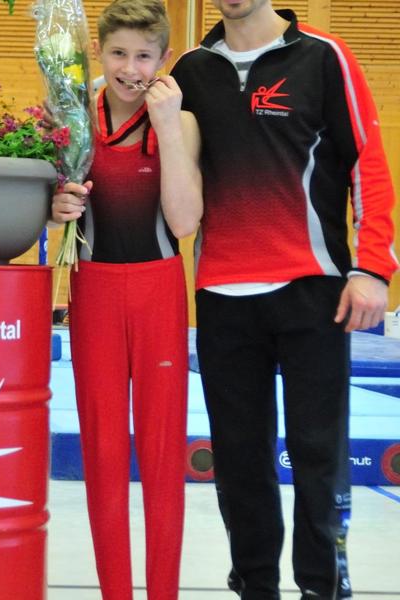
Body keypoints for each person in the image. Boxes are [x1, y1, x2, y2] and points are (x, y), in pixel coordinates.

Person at [170, 0, 397, 597]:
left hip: (313, 287)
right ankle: (255, 583)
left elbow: (367, 164)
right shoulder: (190, 71)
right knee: (239, 461)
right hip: (221, 293)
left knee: (318, 454)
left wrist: (372, 266)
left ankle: (324, 585)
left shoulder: (323, 57)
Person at [49, 0, 202, 597]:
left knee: (162, 454)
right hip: (95, 292)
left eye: (144, 55)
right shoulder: (70, 119)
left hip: (159, 289)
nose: (130, 68)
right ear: (99, 53)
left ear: (163, 59)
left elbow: (185, 223)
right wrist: (57, 209)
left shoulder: (180, 122)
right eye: (119, 53)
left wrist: (166, 126)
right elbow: (50, 210)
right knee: (104, 452)